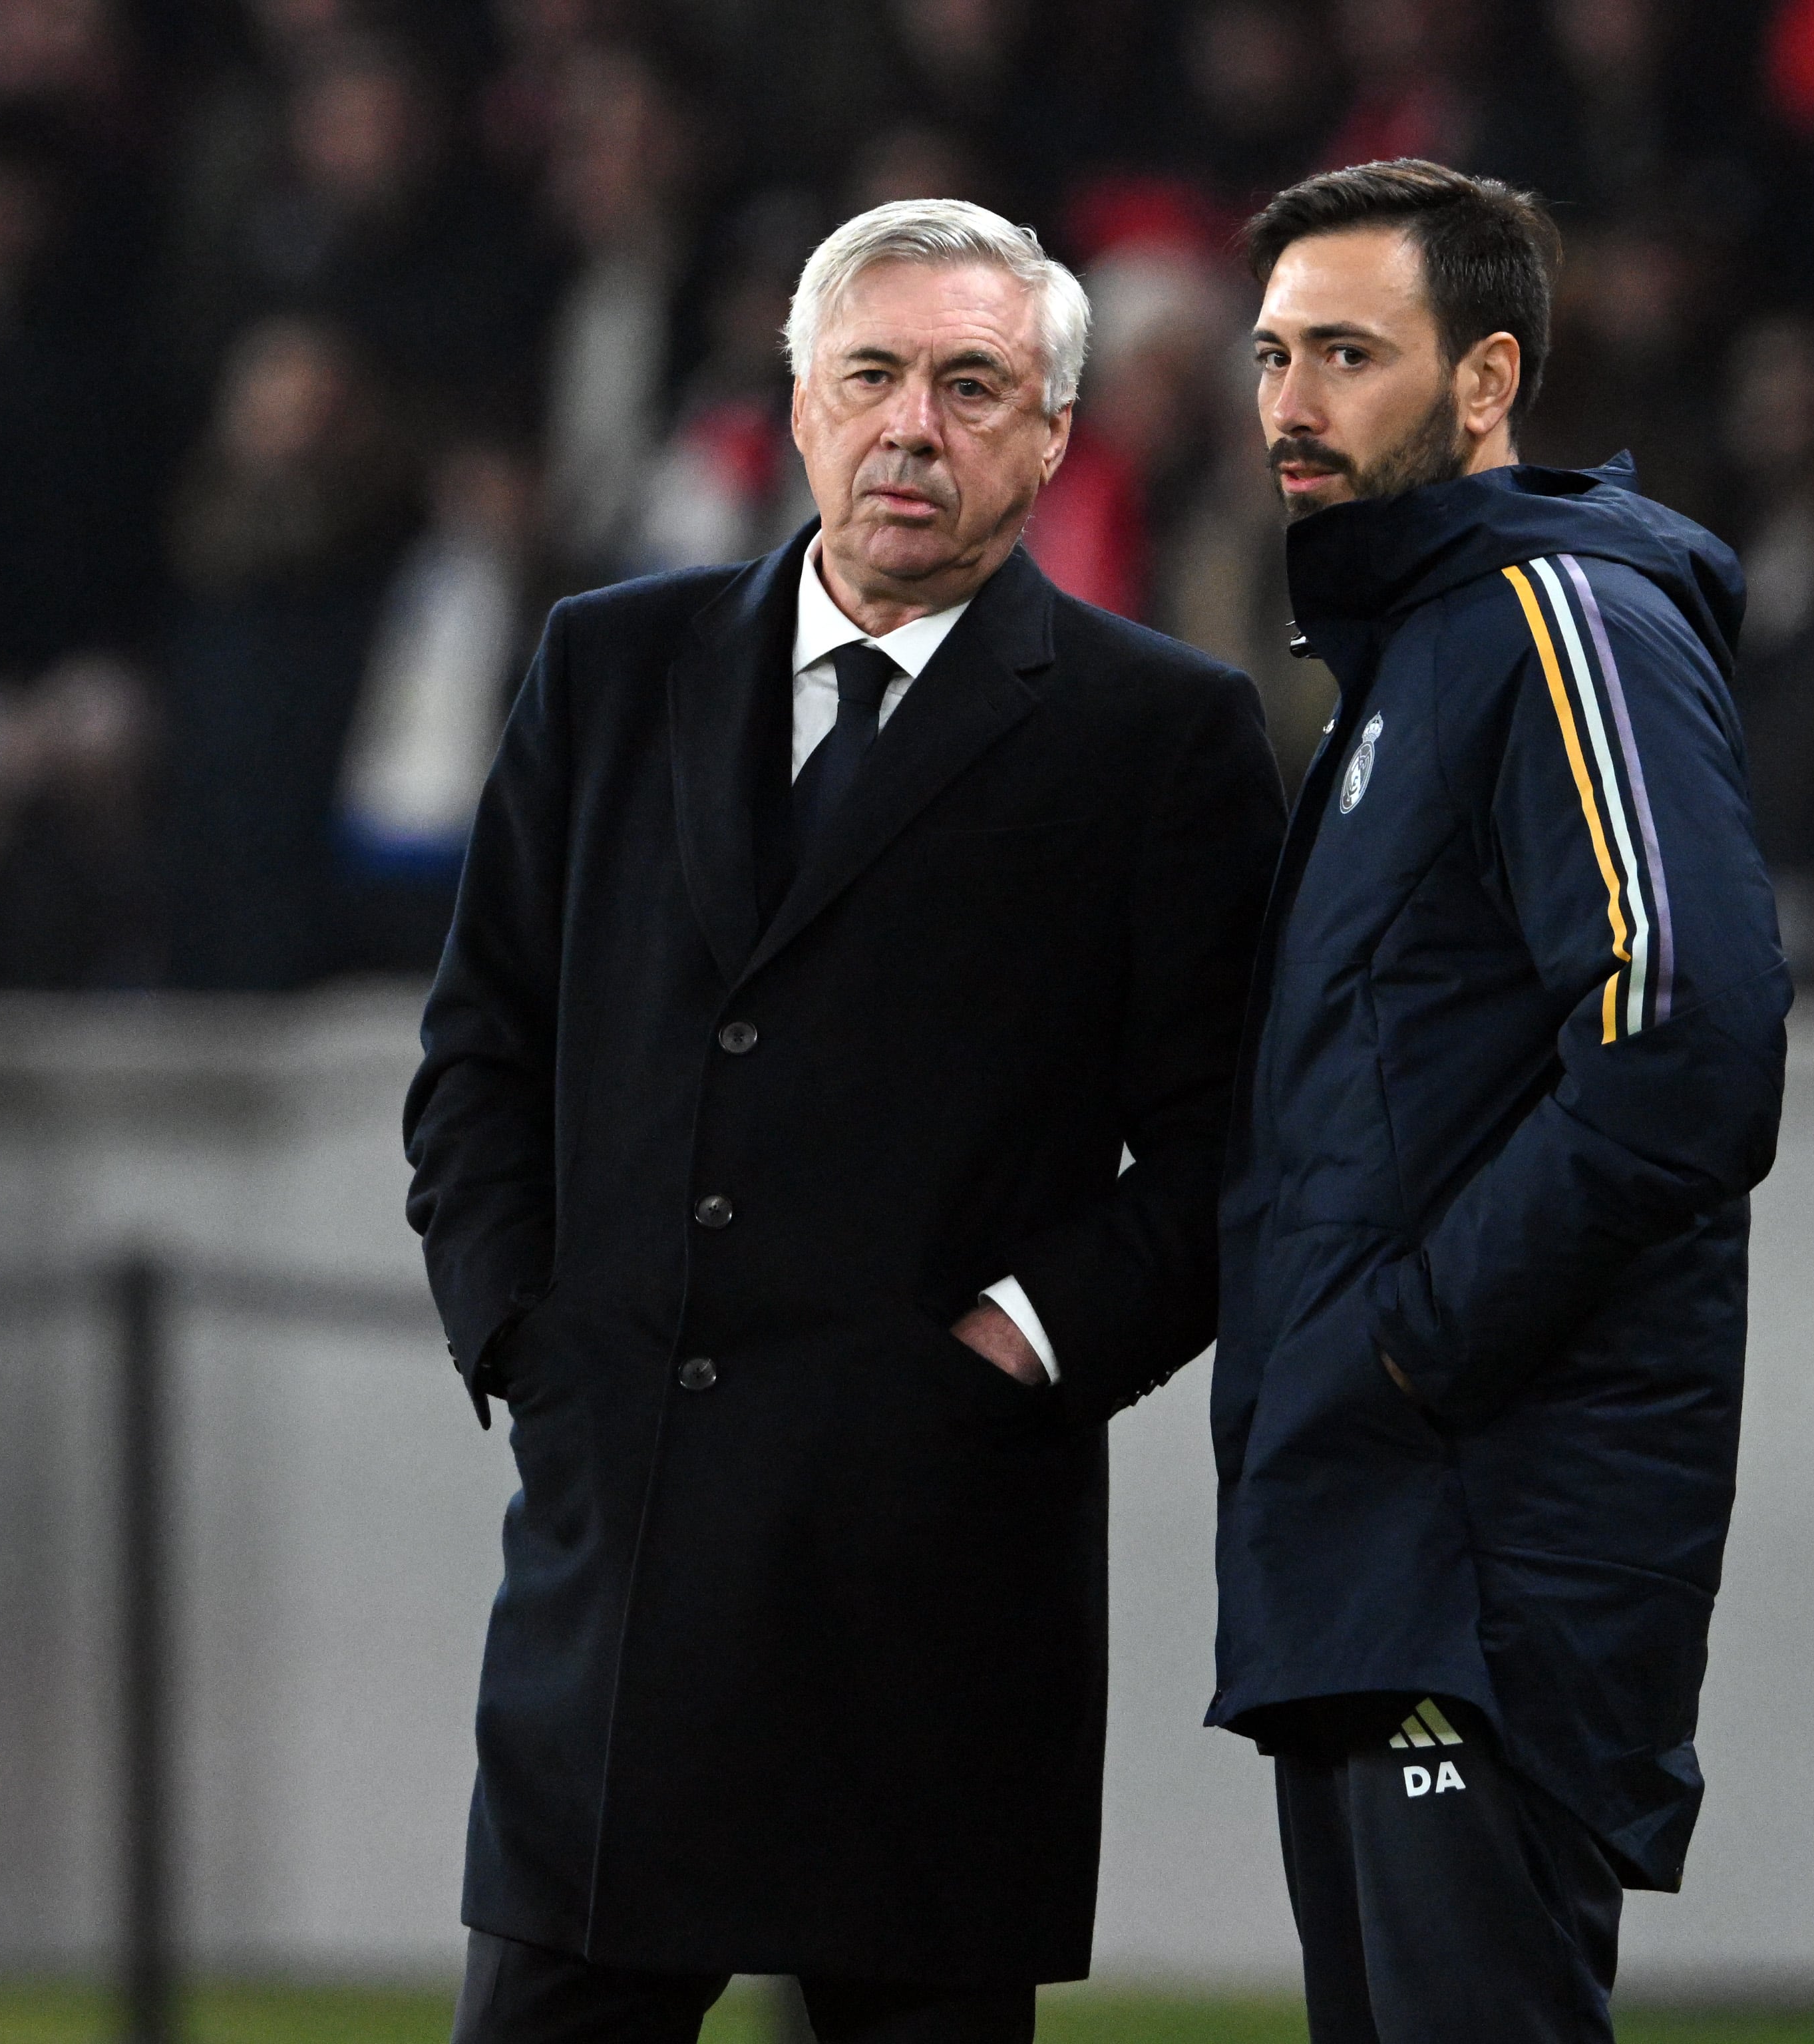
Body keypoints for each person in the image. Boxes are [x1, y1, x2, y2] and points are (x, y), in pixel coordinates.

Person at [403, 198, 1284, 2043]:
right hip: (621, 1563)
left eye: (974, 387)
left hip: (936, 1585)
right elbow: (483, 1046)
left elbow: (1228, 1148)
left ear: (1054, 436)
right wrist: (522, 1337)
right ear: (800, 405)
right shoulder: (609, 669)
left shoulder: (1160, 736)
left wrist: (1022, 1344)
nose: (914, 427)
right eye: (872, 375)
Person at [1210, 159, 1791, 2043]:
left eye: (1351, 355)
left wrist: (1406, 1348)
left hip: (1484, 1546)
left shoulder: (1563, 617)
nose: (1291, 403)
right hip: (1379, 1544)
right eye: (1275, 352)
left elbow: (1685, 1040)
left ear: (1486, 382)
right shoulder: (1410, 661)